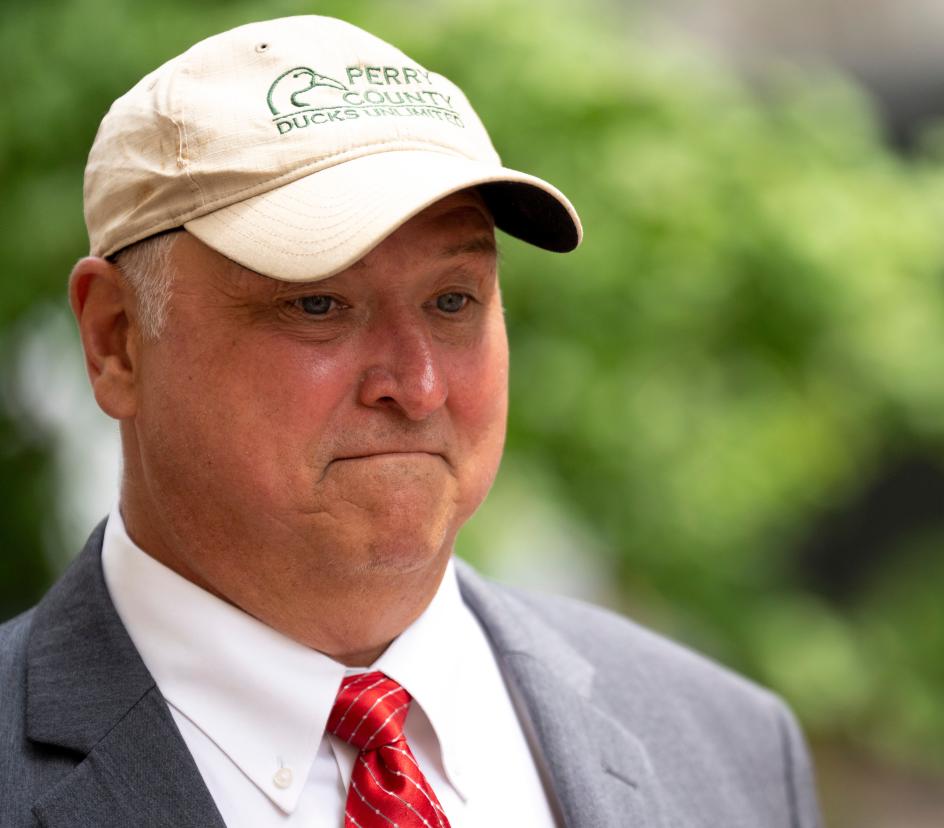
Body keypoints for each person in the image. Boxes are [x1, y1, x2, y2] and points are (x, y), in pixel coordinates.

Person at [0, 14, 822, 828]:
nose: (418, 385)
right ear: (116, 341)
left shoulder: (728, 748)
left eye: (453, 300)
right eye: (318, 303)